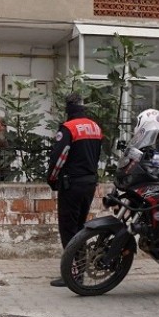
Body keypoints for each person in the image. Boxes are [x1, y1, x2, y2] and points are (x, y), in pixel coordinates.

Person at [46, 93, 103, 287]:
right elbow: (97, 156)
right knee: (81, 228)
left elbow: (59, 157)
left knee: (68, 229)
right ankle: (80, 270)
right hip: (89, 184)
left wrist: (52, 179)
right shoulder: (95, 127)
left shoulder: (69, 128)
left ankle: (73, 274)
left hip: (72, 185)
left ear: (68, 108)